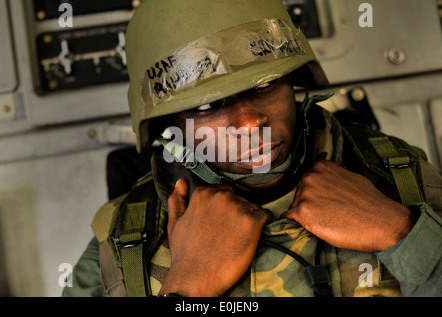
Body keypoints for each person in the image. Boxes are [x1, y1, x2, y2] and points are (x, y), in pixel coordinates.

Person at [63, 0, 442, 297]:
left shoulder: (402, 177)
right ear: (169, 124)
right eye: (207, 106)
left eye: (264, 86)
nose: (248, 123)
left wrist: (405, 236)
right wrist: (188, 285)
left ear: (294, 82)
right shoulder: (119, 244)